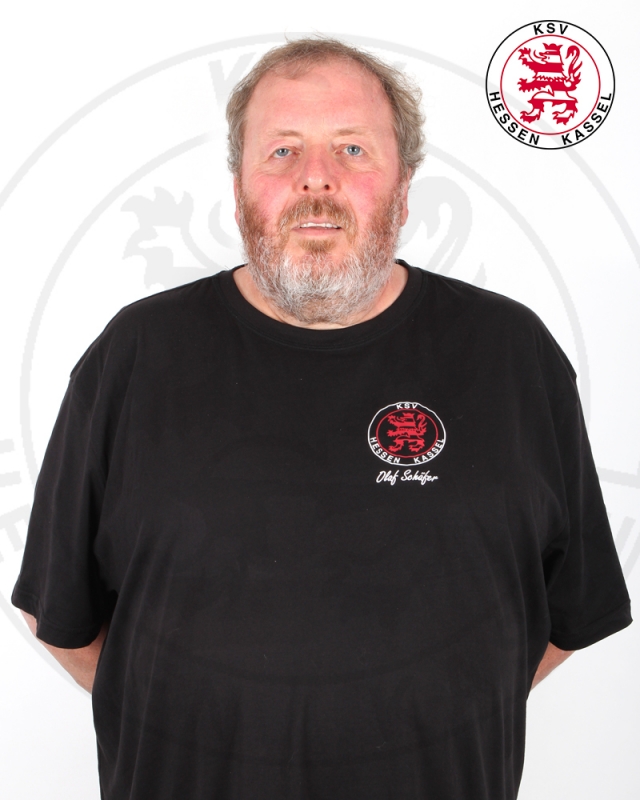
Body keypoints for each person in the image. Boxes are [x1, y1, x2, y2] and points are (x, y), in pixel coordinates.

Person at [12, 37, 631, 800]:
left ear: (404, 187)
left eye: (352, 148)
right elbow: (62, 616)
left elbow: (568, 612)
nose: (315, 176)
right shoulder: (133, 355)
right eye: (281, 150)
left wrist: (435, 713)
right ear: (238, 186)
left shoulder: (511, 355)